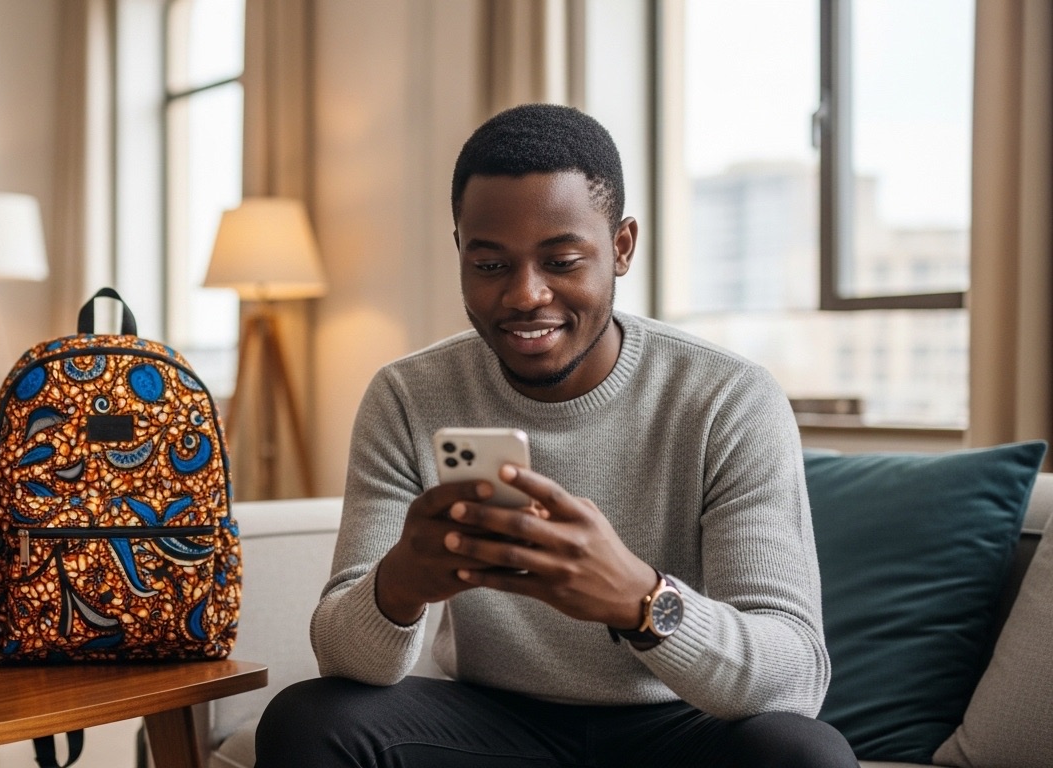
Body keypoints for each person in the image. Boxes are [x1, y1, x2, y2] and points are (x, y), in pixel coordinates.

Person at [254, 103, 858, 767]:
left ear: (621, 247)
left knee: (805, 754)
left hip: (678, 726)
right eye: (491, 266)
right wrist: (398, 585)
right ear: (460, 252)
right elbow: (342, 657)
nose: (525, 295)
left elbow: (795, 677)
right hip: (492, 724)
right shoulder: (407, 396)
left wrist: (640, 600)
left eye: (562, 260)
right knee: (307, 721)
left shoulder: (728, 398)